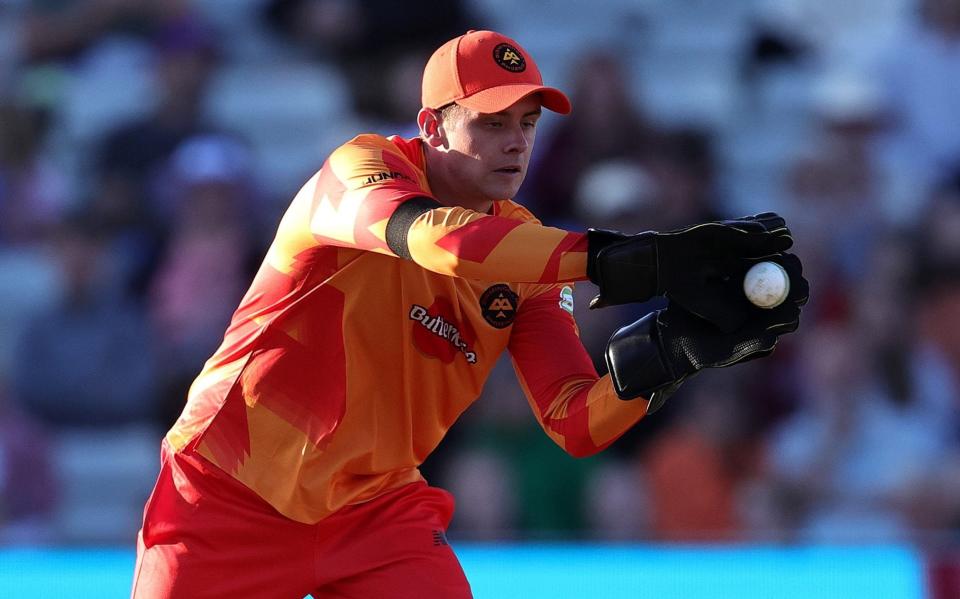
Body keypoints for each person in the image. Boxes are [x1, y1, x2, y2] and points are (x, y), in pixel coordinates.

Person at [131, 29, 808, 598]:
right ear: (432, 125)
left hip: (374, 511)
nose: (517, 143)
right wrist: (645, 260)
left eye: (528, 123)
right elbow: (440, 242)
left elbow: (575, 419)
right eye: (491, 121)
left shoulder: (527, 256)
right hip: (225, 492)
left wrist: (676, 349)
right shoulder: (357, 170)